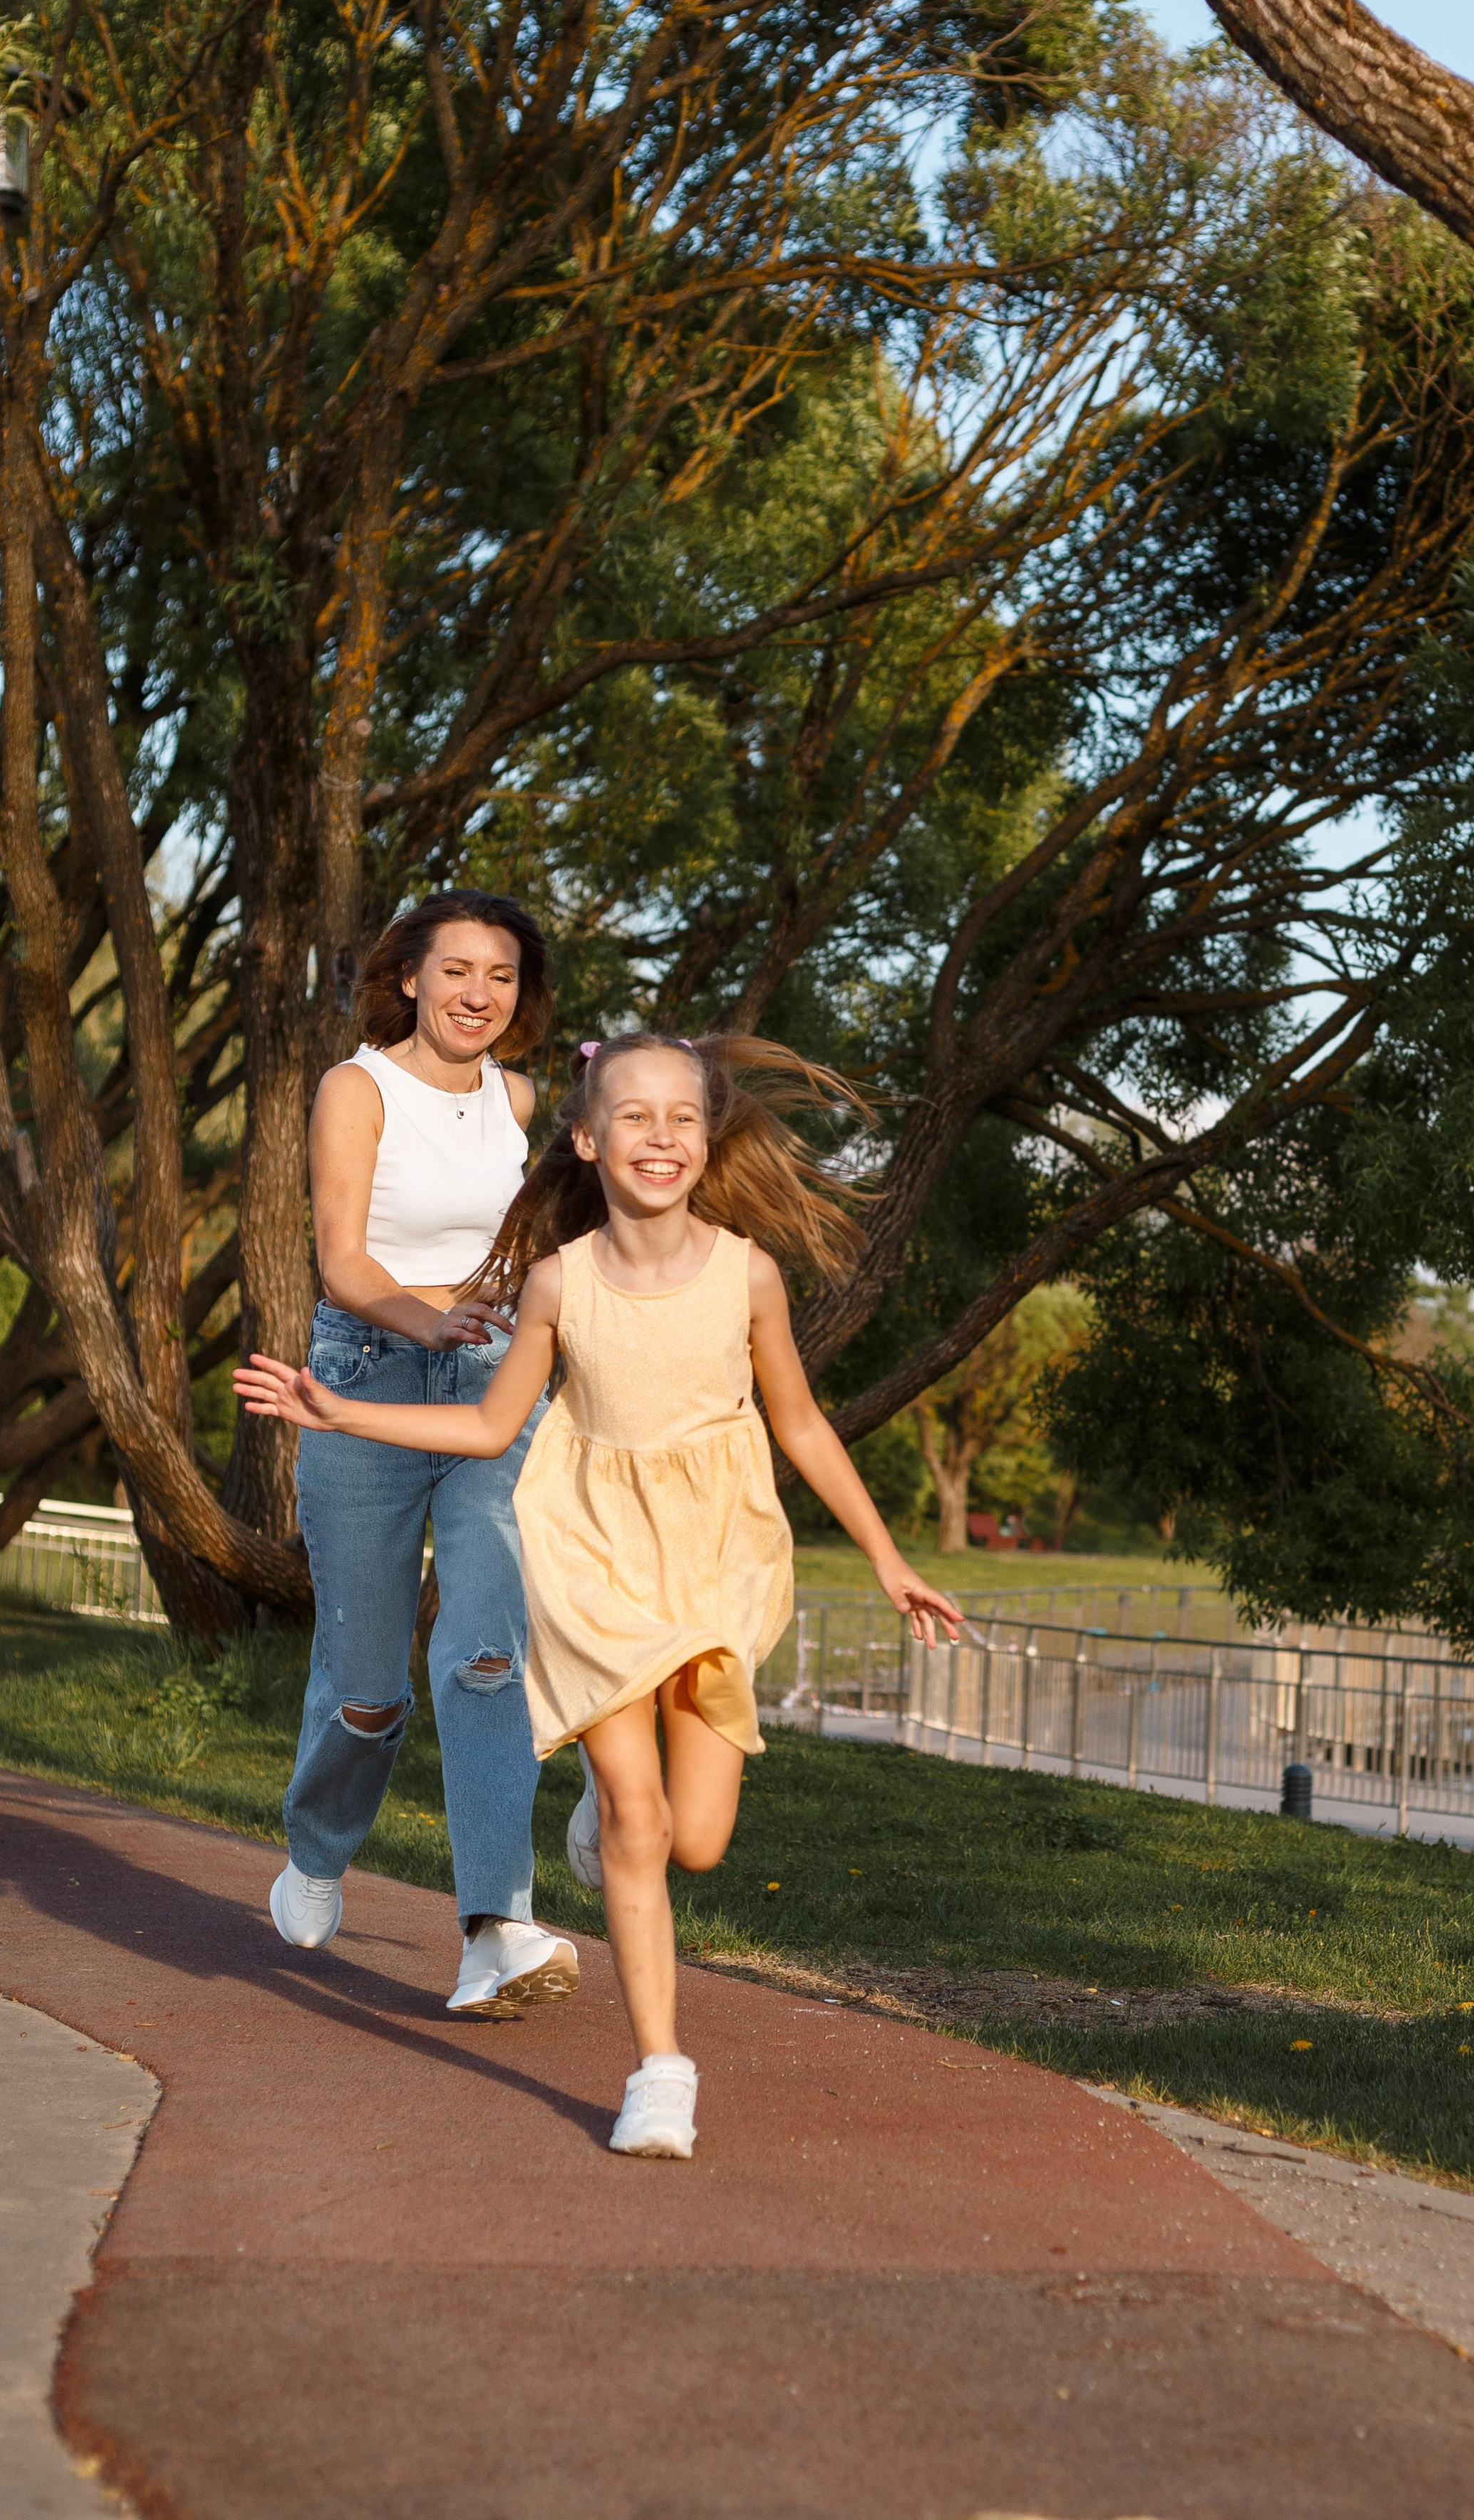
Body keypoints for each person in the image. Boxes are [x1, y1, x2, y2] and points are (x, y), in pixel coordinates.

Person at [236, 1030, 960, 2157]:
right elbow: (485, 1426)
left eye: (683, 1117)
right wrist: (342, 1410)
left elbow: (802, 1424)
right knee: (638, 1816)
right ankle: (660, 2071)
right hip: (590, 1555)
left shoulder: (748, 1273)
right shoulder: (558, 1282)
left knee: (700, 1840)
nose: (660, 1137)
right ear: (586, 1136)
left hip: (715, 1555)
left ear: (708, 1138)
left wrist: (888, 1556)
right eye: (635, 1115)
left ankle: (616, 1819)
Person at [271, 889, 580, 2024]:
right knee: (367, 1695)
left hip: (493, 1387)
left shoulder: (522, 1099)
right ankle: (316, 1849)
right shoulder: (358, 1087)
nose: (477, 996)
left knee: (487, 1654)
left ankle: (495, 1929)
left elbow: (544, 1248)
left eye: (499, 978)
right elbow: (345, 1261)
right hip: (366, 1370)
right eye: (457, 972)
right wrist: (427, 1319)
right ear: (410, 977)